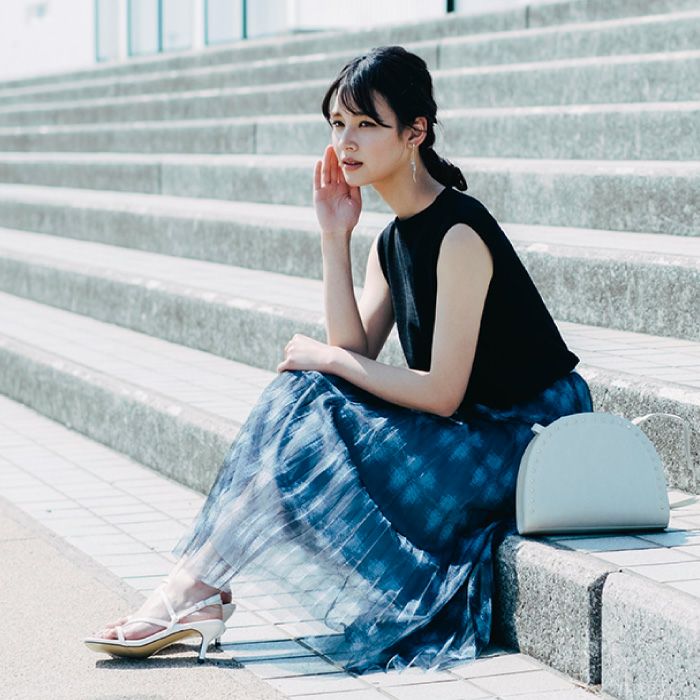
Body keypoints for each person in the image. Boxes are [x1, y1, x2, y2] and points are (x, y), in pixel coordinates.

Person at [84, 45, 592, 672]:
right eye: (337, 124)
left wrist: (328, 358)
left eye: (366, 124)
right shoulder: (392, 240)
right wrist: (334, 237)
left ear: (415, 133)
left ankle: (194, 589)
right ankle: (196, 586)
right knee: (306, 389)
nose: (346, 142)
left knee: (315, 386)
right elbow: (354, 356)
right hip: (469, 425)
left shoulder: (459, 232)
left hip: (526, 430)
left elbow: (441, 394)